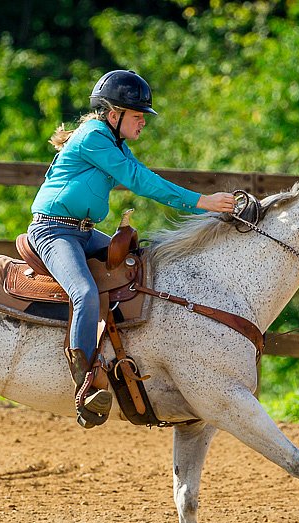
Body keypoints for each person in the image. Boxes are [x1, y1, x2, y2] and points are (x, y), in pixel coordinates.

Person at [28, 69, 235, 428]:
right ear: (113, 114)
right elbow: (140, 180)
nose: (143, 124)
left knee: (138, 273)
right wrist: (204, 202)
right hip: (54, 232)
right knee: (84, 292)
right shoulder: (93, 136)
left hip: (83, 231)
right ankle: (86, 384)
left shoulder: (111, 142)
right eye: (137, 116)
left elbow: (140, 175)